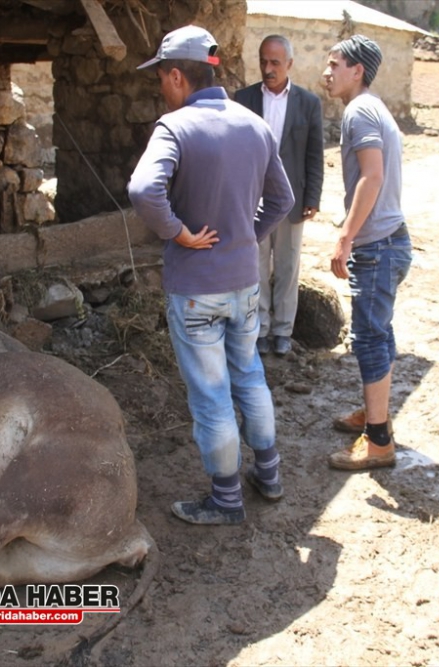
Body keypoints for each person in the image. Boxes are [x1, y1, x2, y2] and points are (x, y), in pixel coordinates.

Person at [127, 25, 295, 525]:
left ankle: (225, 500)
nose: (162, 87)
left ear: (178, 76)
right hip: (244, 282)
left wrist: (178, 233)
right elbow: (283, 199)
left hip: (197, 289)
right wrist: (247, 235)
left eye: (162, 77)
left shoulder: (174, 127)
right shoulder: (254, 124)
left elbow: (143, 189)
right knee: (250, 375)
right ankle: (269, 474)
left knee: (211, 393)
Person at [321, 35, 411, 470]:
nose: (326, 72)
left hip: (377, 245)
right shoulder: (372, 107)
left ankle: (378, 441)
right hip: (389, 240)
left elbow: (371, 177)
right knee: (380, 333)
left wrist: (346, 237)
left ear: (357, 71)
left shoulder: (360, 111)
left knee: (370, 339)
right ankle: (377, 415)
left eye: (335, 64)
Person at [234, 35, 325, 357]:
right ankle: (259, 328)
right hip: (253, 198)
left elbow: (314, 154)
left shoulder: (308, 103)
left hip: (292, 199)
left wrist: (313, 196)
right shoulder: (243, 100)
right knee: (256, 265)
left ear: (289, 64)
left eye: (275, 62)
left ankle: (283, 330)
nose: (268, 69)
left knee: (288, 265)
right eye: (263, 61)